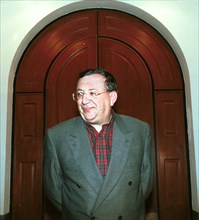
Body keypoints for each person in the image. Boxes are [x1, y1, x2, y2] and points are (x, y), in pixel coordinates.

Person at [44, 69, 154, 220]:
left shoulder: (140, 131)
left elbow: (144, 184)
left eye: (92, 93)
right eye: (80, 94)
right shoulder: (57, 136)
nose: (84, 100)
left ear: (112, 97)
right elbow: (54, 190)